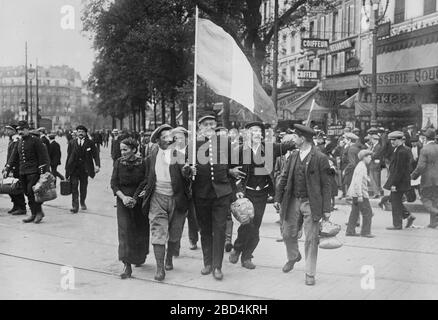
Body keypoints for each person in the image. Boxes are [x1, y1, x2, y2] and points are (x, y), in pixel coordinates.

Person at [229, 121, 295, 269]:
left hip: (262, 192)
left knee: (255, 226)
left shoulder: (269, 148)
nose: (256, 134)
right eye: (253, 131)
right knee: (246, 223)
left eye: (259, 131)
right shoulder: (239, 150)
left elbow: (286, 146)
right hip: (246, 192)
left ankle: (246, 255)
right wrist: (238, 190)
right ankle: (238, 248)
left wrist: (297, 138)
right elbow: (232, 171)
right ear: (247, 134)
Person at [274, 124, 331, 286]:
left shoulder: (320, 158)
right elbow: (284, 178)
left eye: (295, 137)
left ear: (303, 139)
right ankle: (293, 256)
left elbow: (327, 185)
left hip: (311, 203)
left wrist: (326, 209)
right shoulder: (292, 156)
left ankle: (310, 273)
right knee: (286, 233)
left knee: (311, 239)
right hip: (292, 201)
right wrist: (277, 198)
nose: (293, 139)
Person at [133, 124, 191, 281]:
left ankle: (169, 258)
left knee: (174, 235)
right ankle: (160, 269)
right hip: (157, 198)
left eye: (170, 137)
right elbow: (147, 178)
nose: (168, 140)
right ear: (158, 140)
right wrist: (139, 193)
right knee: (158, 233)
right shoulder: (151, 155)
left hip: (177, 199)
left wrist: (188, 172)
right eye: (164, 137)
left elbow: (188, 175)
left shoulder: (180, 154)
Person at [192, 113, 239, 281]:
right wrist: (187, 171)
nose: (210, 127)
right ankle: (207, 263)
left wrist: (231, 174)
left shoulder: (225, 143)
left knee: (219, 229)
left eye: (212, 124)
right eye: (206, 125)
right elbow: (186, 168)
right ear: (200, 128)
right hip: (201, 193)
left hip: (221, 193)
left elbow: (232, 167)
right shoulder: (193, 145)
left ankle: (217, 266)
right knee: (204, 229)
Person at [111, 138, 149, 279]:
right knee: (124, 231)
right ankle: (126, 265)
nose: (123, 152)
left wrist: (135, 198)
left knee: (140, 229)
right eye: (121, 150)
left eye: (125, 149)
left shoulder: (143, 163)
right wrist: (124, 198)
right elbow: (114, 184)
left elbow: (145, 181)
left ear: (134, 149)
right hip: (123, 201)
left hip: (139, 200)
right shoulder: (118, 163)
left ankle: (139, 256)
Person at [3, 120, 50, 223]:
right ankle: (34, 213)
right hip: (23, 172)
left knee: (32, 192)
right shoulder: (19, 141)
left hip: (34, 171)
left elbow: (44, 156)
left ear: (27, 129)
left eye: (23, 130)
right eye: (19, 130)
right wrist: (7, 168)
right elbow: (13, 156)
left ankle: (38, 213)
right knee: (27, 193)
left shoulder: (35, 140)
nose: (20, 132)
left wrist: (44, 171)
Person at [171, 126, 199, 252]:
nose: (179, 140)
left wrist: (193, 170)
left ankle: (193, 239)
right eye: (176, 138)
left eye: (181, 137)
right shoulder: (172, 152)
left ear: (186, 138)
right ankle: (175, 245)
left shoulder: (192, 152)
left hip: (192, 189)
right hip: (178, 190)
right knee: (178, 218)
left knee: (193, 217)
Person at [384, 131, 416, 230]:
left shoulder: (401, 151)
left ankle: (397, 224)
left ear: (400, 140)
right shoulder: (401, 149)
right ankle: (408, 216)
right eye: (391, 140)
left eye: (394, 140)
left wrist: (394, 184)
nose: (392, 142)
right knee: (395, 200)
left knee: (395, 202)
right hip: (402, 181)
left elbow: (399, 170)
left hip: (399, 182)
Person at [65, 125, 101, 214]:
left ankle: (82, 202)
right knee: (74, 186)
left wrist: (97, 165)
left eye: (82, 131)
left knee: (83, 187)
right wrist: (67, 169)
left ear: (85, 133)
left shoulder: (90, 143)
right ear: (76, 133)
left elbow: (96, 155)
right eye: (79, 131)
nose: (80, 133)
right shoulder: (72, 143)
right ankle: (75, 206)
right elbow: (68, 156)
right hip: (74, 168)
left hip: (85, 169)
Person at [411, 128, 438, 229]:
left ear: (426, 138)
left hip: (428, 179)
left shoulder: (425, 149)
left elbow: (421, 166)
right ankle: (433, 223)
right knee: (435, 200)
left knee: (425, 198)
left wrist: (413, 176)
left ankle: (436, 214)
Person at [346, 150, 375, 238]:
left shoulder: (361, 166)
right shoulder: (362, 167)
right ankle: (365, 232)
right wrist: (360, 195)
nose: (370, 158)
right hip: (360, 194)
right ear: (364, 157)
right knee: (368, 212)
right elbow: (357, 183)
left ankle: (350, 231)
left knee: (354, 212)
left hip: (355, 193)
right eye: (369, 157)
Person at [2, 124, 26, 215]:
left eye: (8, 130)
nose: (6, 132)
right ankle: (16, 205)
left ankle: (22, 207)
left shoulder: (16, 141)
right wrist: (6, 167)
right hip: (10, 168)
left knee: (16, 187)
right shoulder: (12, 140)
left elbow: (15, 156)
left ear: (14, 131)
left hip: (16, 168)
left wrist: (10, 168)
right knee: (10, 188)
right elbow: (9, 157)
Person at [369, 134, 384, 198]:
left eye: (372, 139)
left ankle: (376, 193)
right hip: (374, 164)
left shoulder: (378, 147)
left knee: (375, 179)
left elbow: (375, 155)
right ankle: (378, 192)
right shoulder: (374, 146)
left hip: (375, 164)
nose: (371, 141)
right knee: (375, 178)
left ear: (375, 140)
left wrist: (369, 154)